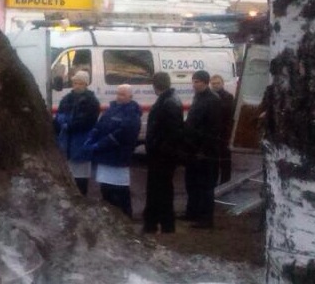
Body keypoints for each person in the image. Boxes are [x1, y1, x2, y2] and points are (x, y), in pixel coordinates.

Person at [85, 84, 141, 217]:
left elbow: (122, 134)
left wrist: (100, 145)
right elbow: (101, 124)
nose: (119, 97)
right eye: (118, 94)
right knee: (106, 189)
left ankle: (126, 217)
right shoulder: (112, 109)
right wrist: (92, 135)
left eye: (122, 94)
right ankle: (111, 216)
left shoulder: (132, 113)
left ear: (130, 97)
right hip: (106, 158)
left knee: (120, 191)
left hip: (119, 158)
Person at [142, 72, 185, 234]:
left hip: (162, 156)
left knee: (161, 190)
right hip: (162, 154)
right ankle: (154, 223)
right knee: (158, 190)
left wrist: (157, 147)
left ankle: (164, 224)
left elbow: (172, 132)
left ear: (155, 85)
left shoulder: (168, 102)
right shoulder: (169, 99)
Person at [183, 69, 224, 229]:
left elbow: (213, 128)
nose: (194, 84)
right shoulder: (198, 98)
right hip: (193, 148)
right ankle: (191, 212)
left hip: (206, 151)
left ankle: (206, 218)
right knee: (191, 183)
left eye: (197, 81)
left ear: (205, 83)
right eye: (193, 81)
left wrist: (204, 149)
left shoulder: (212, 100)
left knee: (205, 186)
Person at [54, 70, 100, 195]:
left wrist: (69, 125)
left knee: (80, 179)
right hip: (66, 144)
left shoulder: (91, 101)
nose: (77, 85)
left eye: (80, 83)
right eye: (75, 82)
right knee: (67, 178)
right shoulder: (66, 99)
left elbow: (88, 122)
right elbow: (59, 115)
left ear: (86, 84)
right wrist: (59, 121)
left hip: (81, 143)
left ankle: (81, 200)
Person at [210, 74, 236, 185]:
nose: (215, 85)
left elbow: (228, 112)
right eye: (213, 83)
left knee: (225, 158)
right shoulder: (210, 97)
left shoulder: (228, 97)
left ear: (222, 84)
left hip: (224, 132)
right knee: (213, 159)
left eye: (217, 83)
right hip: (213, 133)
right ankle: (214, 180)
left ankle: (226, 181)